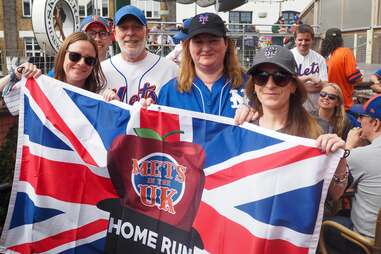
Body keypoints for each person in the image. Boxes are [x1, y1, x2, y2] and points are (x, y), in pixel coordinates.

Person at [243, 45, 348, 200]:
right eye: (261, 77)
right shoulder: (244, 130)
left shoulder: (320, 129)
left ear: (293, 86)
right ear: (254, 86)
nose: (270, 84)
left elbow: (334, 194)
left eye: (280, 77)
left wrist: (340, 160)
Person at [152, 12, 246, 118]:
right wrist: (146, 114)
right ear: (188, 47)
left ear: (226, 44)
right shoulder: (170, 92)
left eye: (213, 41)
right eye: (198, 42)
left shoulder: (251, 86)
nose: (206, 48)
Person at [1, 32, 117, 115]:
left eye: (89, 60)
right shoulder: (42, 89)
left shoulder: (99, 98)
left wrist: (116, 108)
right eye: (74, 56)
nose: (82, 63)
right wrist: (16, 73)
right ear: (63, 56)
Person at [324, 94, 381, 254]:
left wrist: (349, 146)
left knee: (321, 224)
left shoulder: (363, 155)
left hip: (367, 244)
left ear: (375, 124)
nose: (359, 122)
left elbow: (329, 189)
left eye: (362, 117)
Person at [101, 5, 179, 105]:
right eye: (124, 28)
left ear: (146, 32)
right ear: (115, 34)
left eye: (136, 27)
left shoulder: (170, 70)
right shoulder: (101, 71)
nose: (130, 33)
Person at [48, 15, 113, 77]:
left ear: (110, 39)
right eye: (91, 33)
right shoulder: (63, 70)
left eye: (103, 34)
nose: (97, 39)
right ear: (80, 37)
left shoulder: (117, 67)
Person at [321, 28, 363, 110]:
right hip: (342, 104)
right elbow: (354, 78)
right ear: (341, 40)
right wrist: (361, 77)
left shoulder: (321, 56)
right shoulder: (345, 52)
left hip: (325, 102)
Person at [291, 24, 328, 114]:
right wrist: (309, 78)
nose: (303, 43)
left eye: (307, 40)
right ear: (295, 40)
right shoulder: (288, 56)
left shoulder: (319, 59)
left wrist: (298, 85)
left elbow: (324, 84)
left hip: (315, 108)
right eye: (300, 40)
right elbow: (288, 84)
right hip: (293, 108)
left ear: (312, 41)